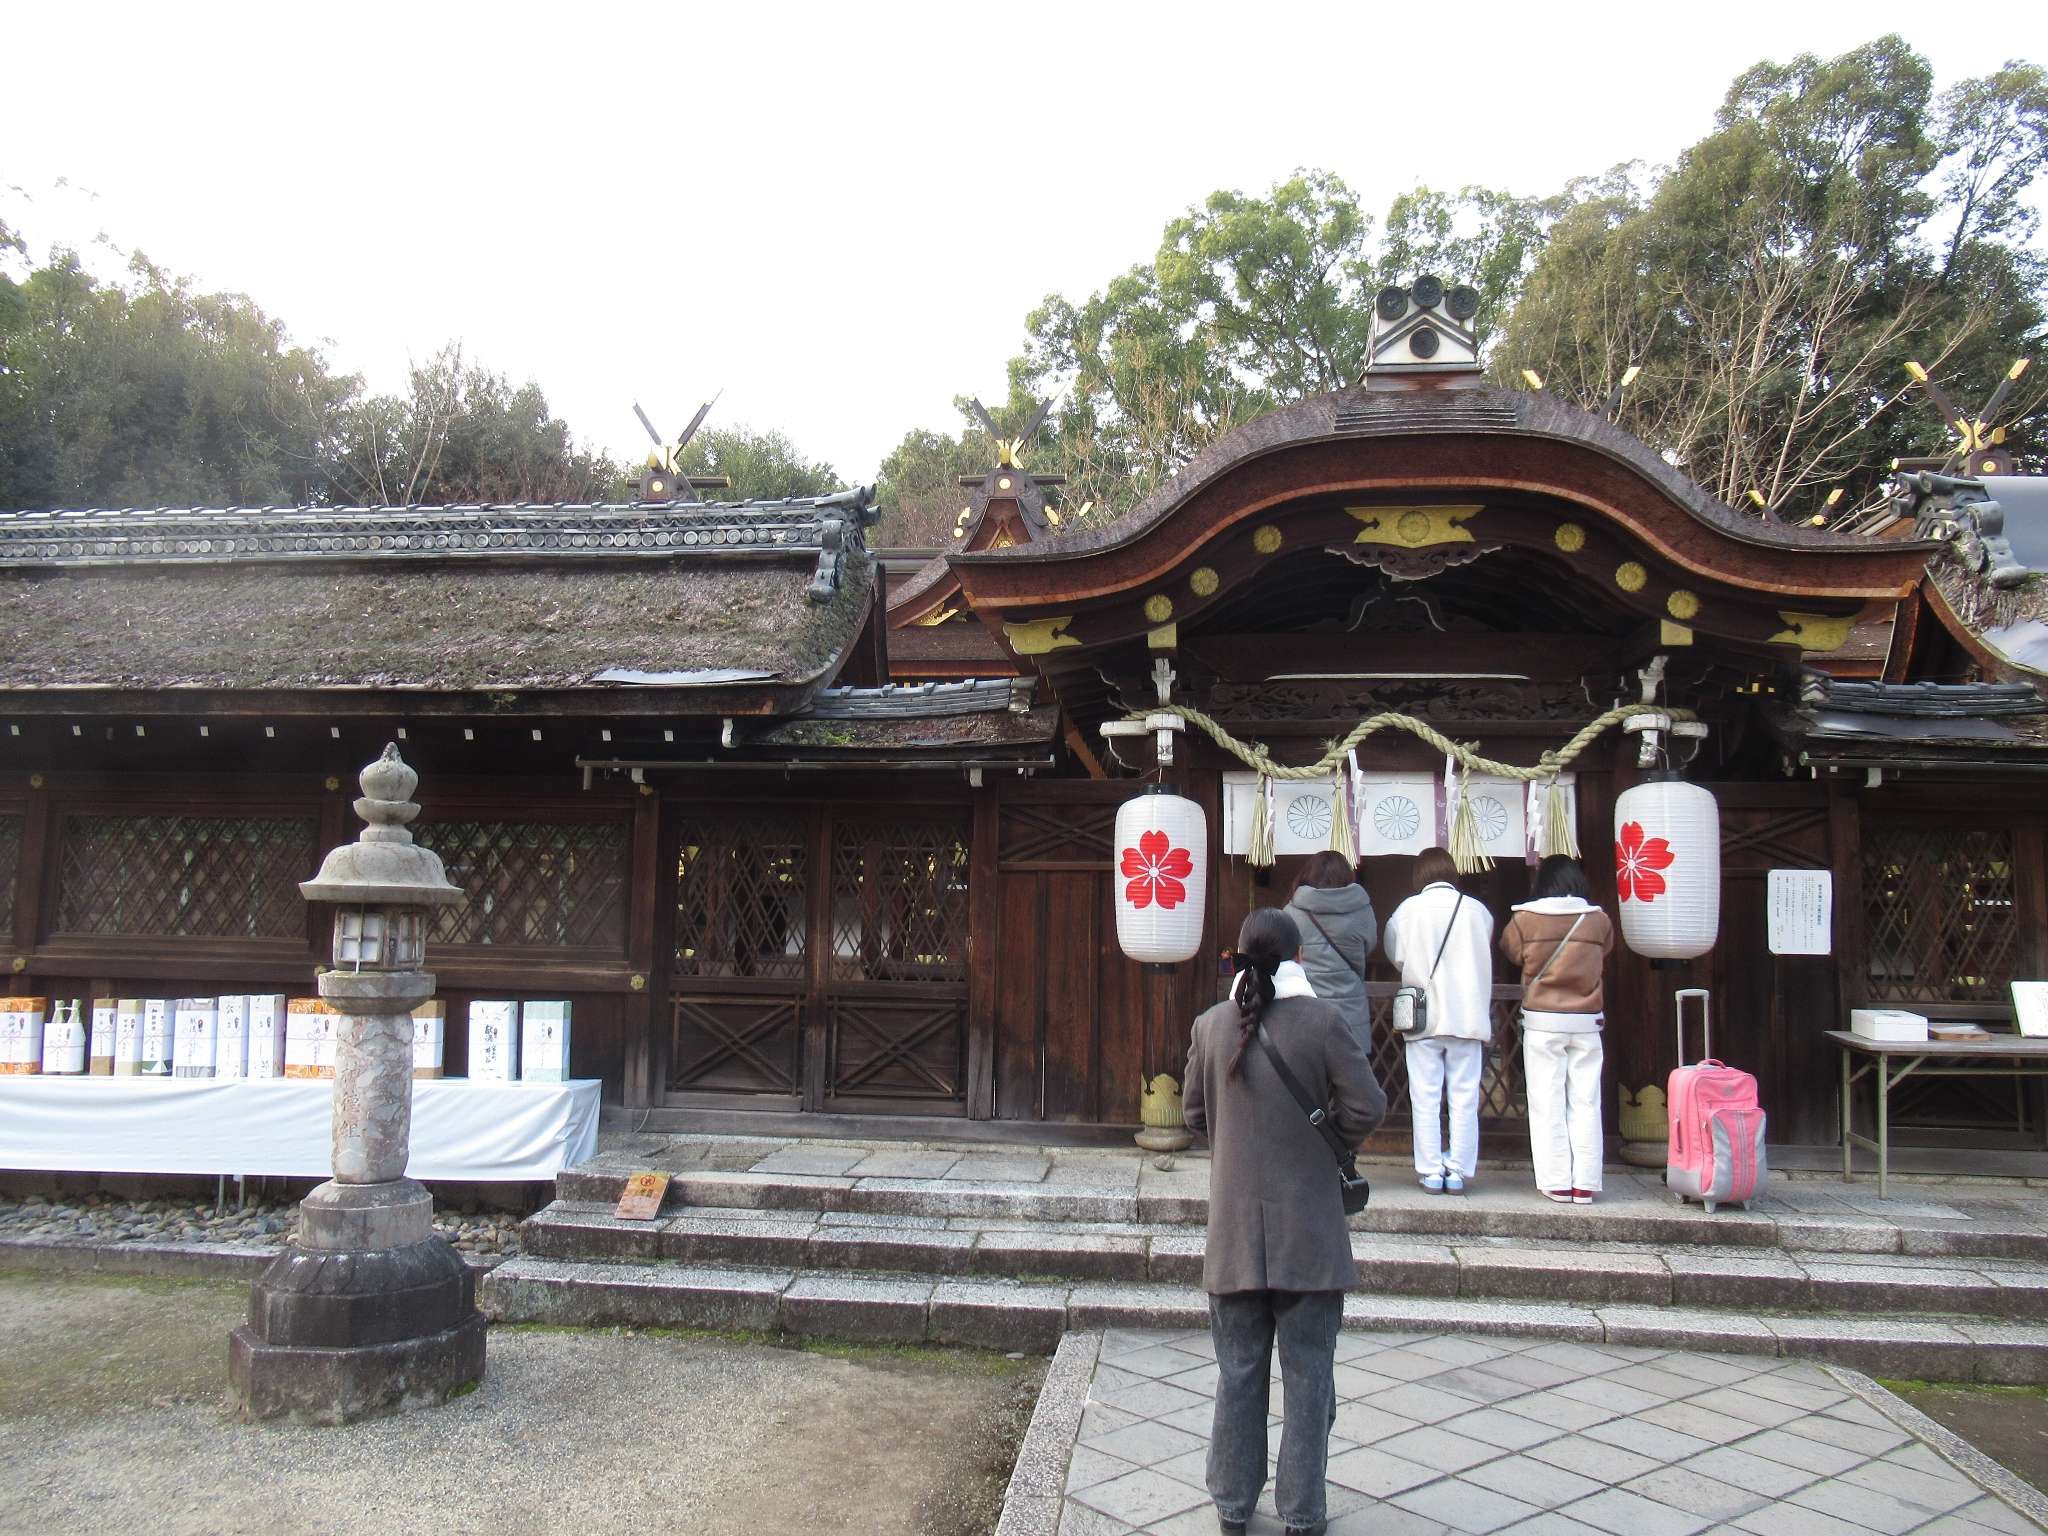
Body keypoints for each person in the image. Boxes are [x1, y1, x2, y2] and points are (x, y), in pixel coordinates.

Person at [1184, 907, 1387, 1536]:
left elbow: (1193, 1114)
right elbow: (1368, 1104)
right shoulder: (1322, 1023)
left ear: (1240, 955)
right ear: (1299, 957)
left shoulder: (1212, 1026)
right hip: (1311, 1235)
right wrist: (1327, 1144)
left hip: (1234, 1234)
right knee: (1309, 1378)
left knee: (1239, 1375)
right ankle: (1302, 1511)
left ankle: (1233, 1506)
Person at [1499, 854, 1616, 1205]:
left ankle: (1556, 1181)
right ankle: (1586, 1182)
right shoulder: (1598, 921)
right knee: (1586, 1100)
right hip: (1587, 1020)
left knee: (1546, 1100)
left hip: (1543, 1019)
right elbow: (1605, 951)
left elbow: (1510, 950)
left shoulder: (1525, 920)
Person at [1380, 847, 1495, 1194]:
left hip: (1424, 1016)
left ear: (1419, 876)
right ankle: (1457, 1169)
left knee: (1425, 1095)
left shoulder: (1407, 911)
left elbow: (1396, 955)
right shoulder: (1478, 911)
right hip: (1467, 1014)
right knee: (1464, 1097)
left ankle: (1431, 1169)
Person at [1282, 850, 1377, 1047]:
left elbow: (1283, 956)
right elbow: (1369, 946)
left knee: (1307, 1075)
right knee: (1350, 1074)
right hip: (1351, 1014)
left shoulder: (1291, 913)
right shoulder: (1362, 910)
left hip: (1306, 1010)